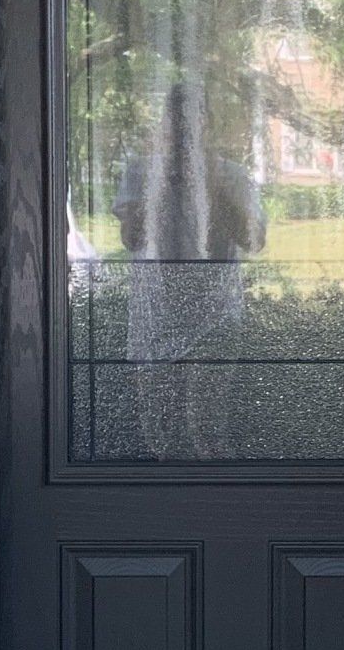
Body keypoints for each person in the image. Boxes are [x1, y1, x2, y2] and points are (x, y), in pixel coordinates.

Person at [113, 80, 265, 456]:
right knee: (160, 434)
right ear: (164, 125)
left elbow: (254, 241)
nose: (183, 131)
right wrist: (161, 183)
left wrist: (210, 183)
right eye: (175, 121)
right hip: (155, 316)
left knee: (208, 431)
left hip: (215, 316)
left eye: (192, 121)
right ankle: (169, 510)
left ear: (207, 125)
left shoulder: (232, 175)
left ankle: (215, 508)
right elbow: (132, 238)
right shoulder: (140, 172)